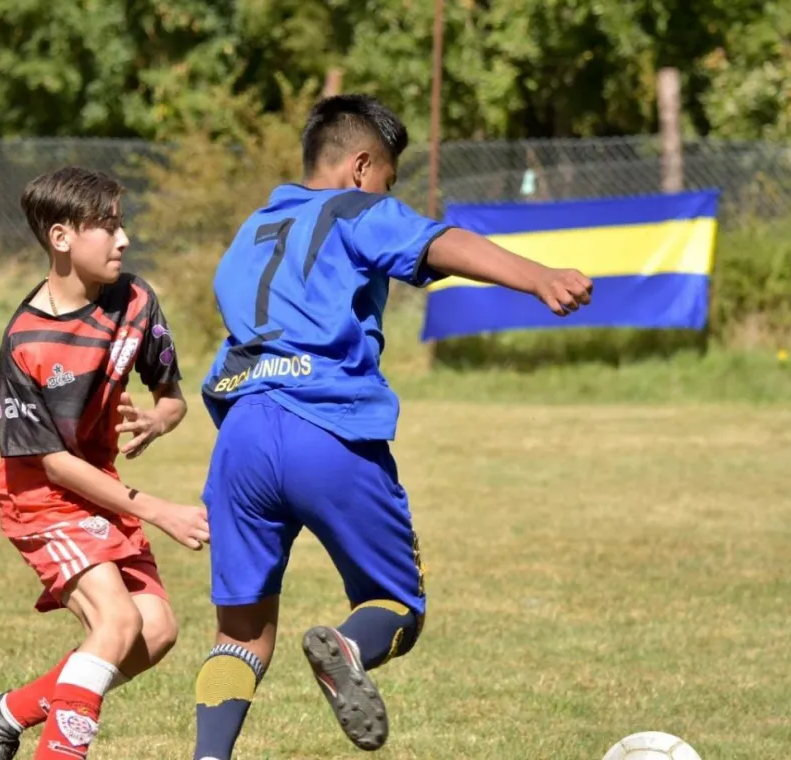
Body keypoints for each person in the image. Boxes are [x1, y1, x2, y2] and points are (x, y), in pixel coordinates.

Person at [190, 94, 593, 758]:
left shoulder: (254, 228)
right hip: (323, 424)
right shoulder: (356, 208)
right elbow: (440, 242)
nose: (388, 193)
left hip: (240, 432)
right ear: (360, 165)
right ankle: (348, 647)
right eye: (388, 180)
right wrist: (538, 276)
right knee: (396, 607)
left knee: (240, 634)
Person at [0, 166, 210, 760]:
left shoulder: (138, 301)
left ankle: (4, 713)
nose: (123, 240)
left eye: (121, 225)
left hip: (101, 489)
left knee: (155, 633)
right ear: (61, 238)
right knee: (118, 623)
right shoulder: (25, 341)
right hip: (43, 500)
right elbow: (49, 463)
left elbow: (173, 397)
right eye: (106, 227)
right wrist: (158, 511)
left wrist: (159, 418)